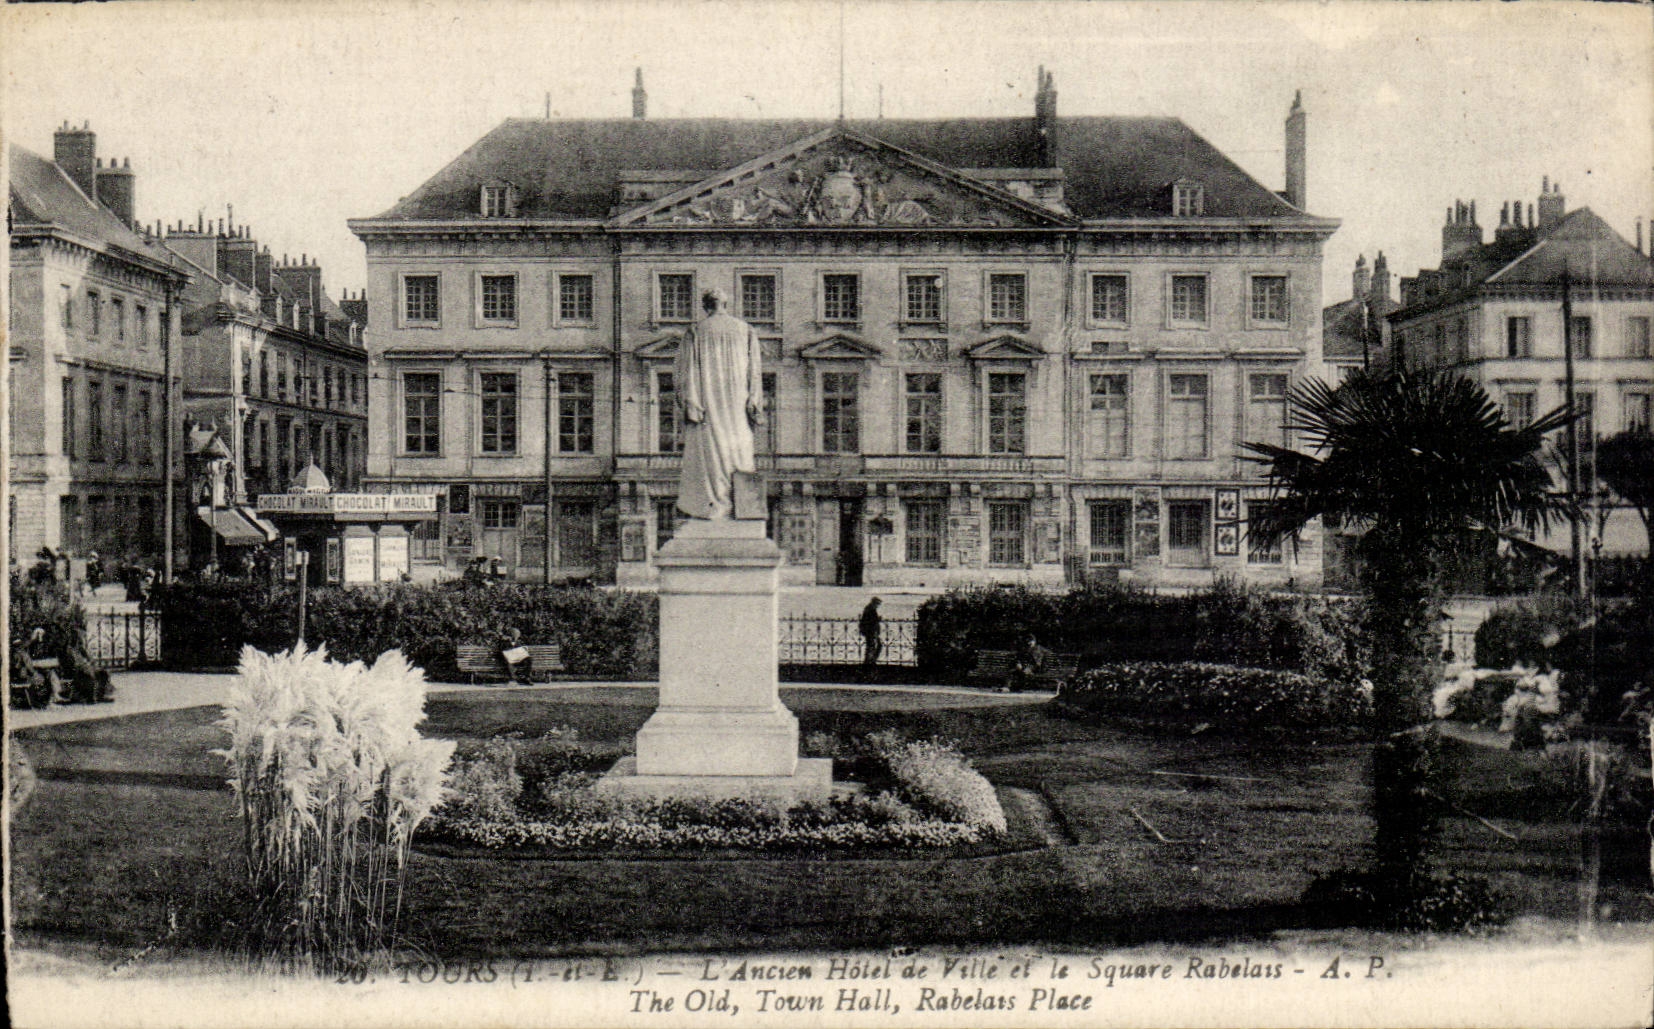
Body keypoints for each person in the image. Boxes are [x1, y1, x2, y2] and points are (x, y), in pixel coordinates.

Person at [674, 288, 764, 521]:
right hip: (738, 405)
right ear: (726, 304)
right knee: (739, 453)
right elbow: (755, 372)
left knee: (711, 454)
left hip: (707, 405)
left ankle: (714, 507)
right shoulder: (746, 330)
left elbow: (684, 373)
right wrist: (754, 401)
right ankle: (739, 506)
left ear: (706, 306)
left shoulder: (695, 331)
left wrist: (690, 402)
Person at [859, 597, 883, 679]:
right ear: (874, 603)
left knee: (874, 647)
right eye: (877, 604)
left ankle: (870, 664)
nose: (878, 606)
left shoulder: (869, 609)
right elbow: (871, 621)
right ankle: (870, 665)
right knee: (873, 648)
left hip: (871, 633)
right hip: (871, 633)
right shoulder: (870, 610)